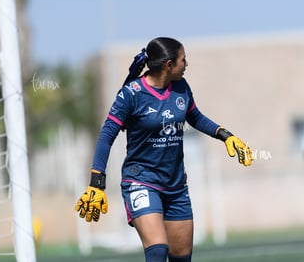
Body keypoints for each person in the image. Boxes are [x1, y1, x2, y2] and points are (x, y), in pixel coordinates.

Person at [74, 37, 254, 262]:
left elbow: (195, 117)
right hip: (141, 182)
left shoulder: (181, 88)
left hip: (176, 188)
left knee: (181, 258)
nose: (186, 64)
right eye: (183, 60)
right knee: (158, 249)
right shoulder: (131, 93)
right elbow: (106, 136)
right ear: (169, 64)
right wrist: (96, 183)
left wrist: (225, 135)